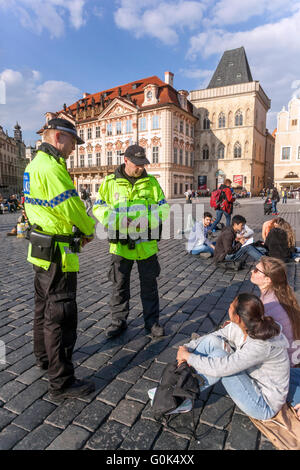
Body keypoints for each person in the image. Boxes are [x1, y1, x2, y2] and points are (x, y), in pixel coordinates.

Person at [24, 117, 95, 400]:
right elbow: (72, 206)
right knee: (61, 314)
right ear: (57, 138)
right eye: (72, 142)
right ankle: (61, 381)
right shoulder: (52, 168)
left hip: (40, 249)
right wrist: (89, 229)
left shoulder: (33, 165)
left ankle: (44, 358)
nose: (73, 149)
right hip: (57, 253)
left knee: (43, 308)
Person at [93, 144, 170, 339]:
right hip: (120, 245)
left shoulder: (152, 183)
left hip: (146, 245)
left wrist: (146, 221)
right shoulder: (110, 182)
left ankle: (151, 323)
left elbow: (164, 208)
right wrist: (117, 219)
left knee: (150, 287)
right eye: (137, 164)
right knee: (119, 286)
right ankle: (118, 322)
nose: (141, 168)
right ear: (125, 160)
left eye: (143, 164)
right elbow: (98, 207)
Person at [177, 293, 290, 420]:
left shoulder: (262, 345)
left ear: (238, 317)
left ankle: (180, 396)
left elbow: (221, 368)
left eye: (231, 306)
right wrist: (187, 348)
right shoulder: (249, 323)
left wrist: (189, 357)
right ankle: (177, 381)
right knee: (212, 341)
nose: (228, 308)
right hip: (250, 378)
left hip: (263, 404)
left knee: (220, 358)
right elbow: (217, 335)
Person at [250, 257, 300, 419]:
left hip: (286, 366)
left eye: (257, 270)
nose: (252, 271)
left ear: (268, 279)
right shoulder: (281, 294)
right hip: (294, 358)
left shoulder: (269, 305)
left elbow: (258, 344)